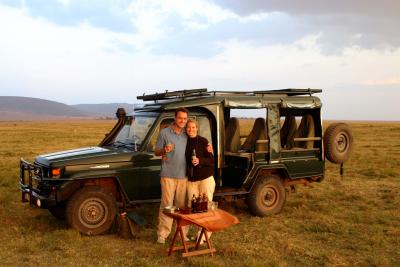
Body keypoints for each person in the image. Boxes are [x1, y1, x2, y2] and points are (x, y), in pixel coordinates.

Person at [154, 107, 189, 244]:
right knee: (167, 205)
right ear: (175, 118)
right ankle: (162, 234)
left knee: (182, 206)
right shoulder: (164, 133)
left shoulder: (188, 133)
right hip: (168, 174)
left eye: (185, 119)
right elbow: (156, 152)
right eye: (180, 118)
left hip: (184, 175)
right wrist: (164, 150)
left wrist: (208, 147)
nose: (182, 121)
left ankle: (182, 234)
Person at [185, 119, 215, 243]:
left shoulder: (203, 141)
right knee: (194, 208)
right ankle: (199, 234)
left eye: (193, 127)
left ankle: (204, 236)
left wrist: (200, 161)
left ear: (197, 128)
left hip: (205, 179)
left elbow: (212, 161)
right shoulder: (184, 142)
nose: (191, 129)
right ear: (185, 129)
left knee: (205, 206)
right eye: (188, 127)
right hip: (191, 179)